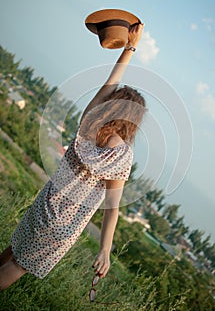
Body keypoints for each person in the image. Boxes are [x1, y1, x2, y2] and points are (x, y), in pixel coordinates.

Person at [0, 23, 145, 290]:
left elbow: (108, 84)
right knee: (18, 266)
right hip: (64, 226)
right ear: (133, 121)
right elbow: (112, 209)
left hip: (45, 202)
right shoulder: (122, 156)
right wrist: (105, 250)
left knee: (13, 250)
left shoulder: (88, 125)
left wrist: (129, 49)